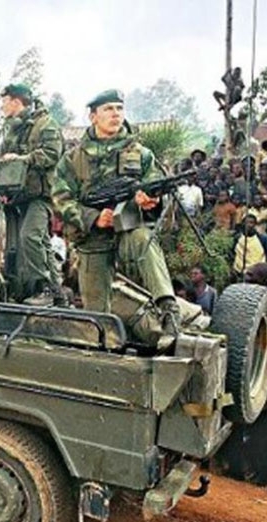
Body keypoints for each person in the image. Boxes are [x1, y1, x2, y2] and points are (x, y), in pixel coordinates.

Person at [52, 89, 180, 337]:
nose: (115, 114)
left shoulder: (141, 154)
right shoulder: (72, 159)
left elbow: (155, 183)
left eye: (119, 109)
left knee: (144, 240)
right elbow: (60, 198)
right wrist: (92, 218)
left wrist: (150, 198)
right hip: (91, 238)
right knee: (96, 316)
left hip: (127, 230)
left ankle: (168, 308)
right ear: (93, 117)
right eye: (108, 109)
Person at [0, 83, 64, 306]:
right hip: (21, 195)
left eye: (4, 102)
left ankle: (42, 289)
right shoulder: (14, 128)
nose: (2, 107)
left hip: (41, 195)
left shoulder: (46, 125)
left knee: (30, 237)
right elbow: (3, 156)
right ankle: (57, 292)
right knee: (42, 243)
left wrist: (23, 159)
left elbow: (52, 154)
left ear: (16, 101)